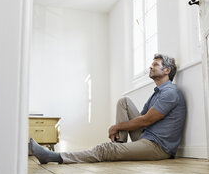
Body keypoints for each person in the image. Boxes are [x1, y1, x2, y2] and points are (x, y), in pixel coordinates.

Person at [30, 54, 186, 164]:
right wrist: (120, 130)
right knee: (124, 101)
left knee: (105, 150)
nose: (150, 67)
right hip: (147, 136)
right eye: (151, 65)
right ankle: (119, 144)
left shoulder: (170, 92)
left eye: (155, 65)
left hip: (158, 147)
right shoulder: (157, 93)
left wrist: (116, 127)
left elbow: (145, 120)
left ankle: (55, 157)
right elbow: (141, 119)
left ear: (167, 71)